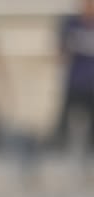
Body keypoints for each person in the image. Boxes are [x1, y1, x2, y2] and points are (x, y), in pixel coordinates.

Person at [51, 0, 94, 152]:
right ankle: (58, 150)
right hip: (75, 82)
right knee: (64, 122)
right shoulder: (71, 23)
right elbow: (60, 53)